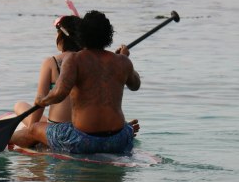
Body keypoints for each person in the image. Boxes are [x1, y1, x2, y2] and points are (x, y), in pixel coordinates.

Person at [9, 10, 141, 155]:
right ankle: (127, 129)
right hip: (119, 139)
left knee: (34, 129)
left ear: (82, 34)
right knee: (125, 128)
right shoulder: (122, 61)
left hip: (82, 141)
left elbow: (60, 93)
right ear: (109, 35)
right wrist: (125, 60)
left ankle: (7, 138)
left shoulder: (74, 60)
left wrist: (43, 100)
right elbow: (135, 85)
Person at [13, 14, 83, 129]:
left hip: (57, 128)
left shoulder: (51, 63)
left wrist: (32, 129)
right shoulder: (90, 61)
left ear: (61, 37)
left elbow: (40, 102)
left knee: (19, 105)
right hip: (84, 127)